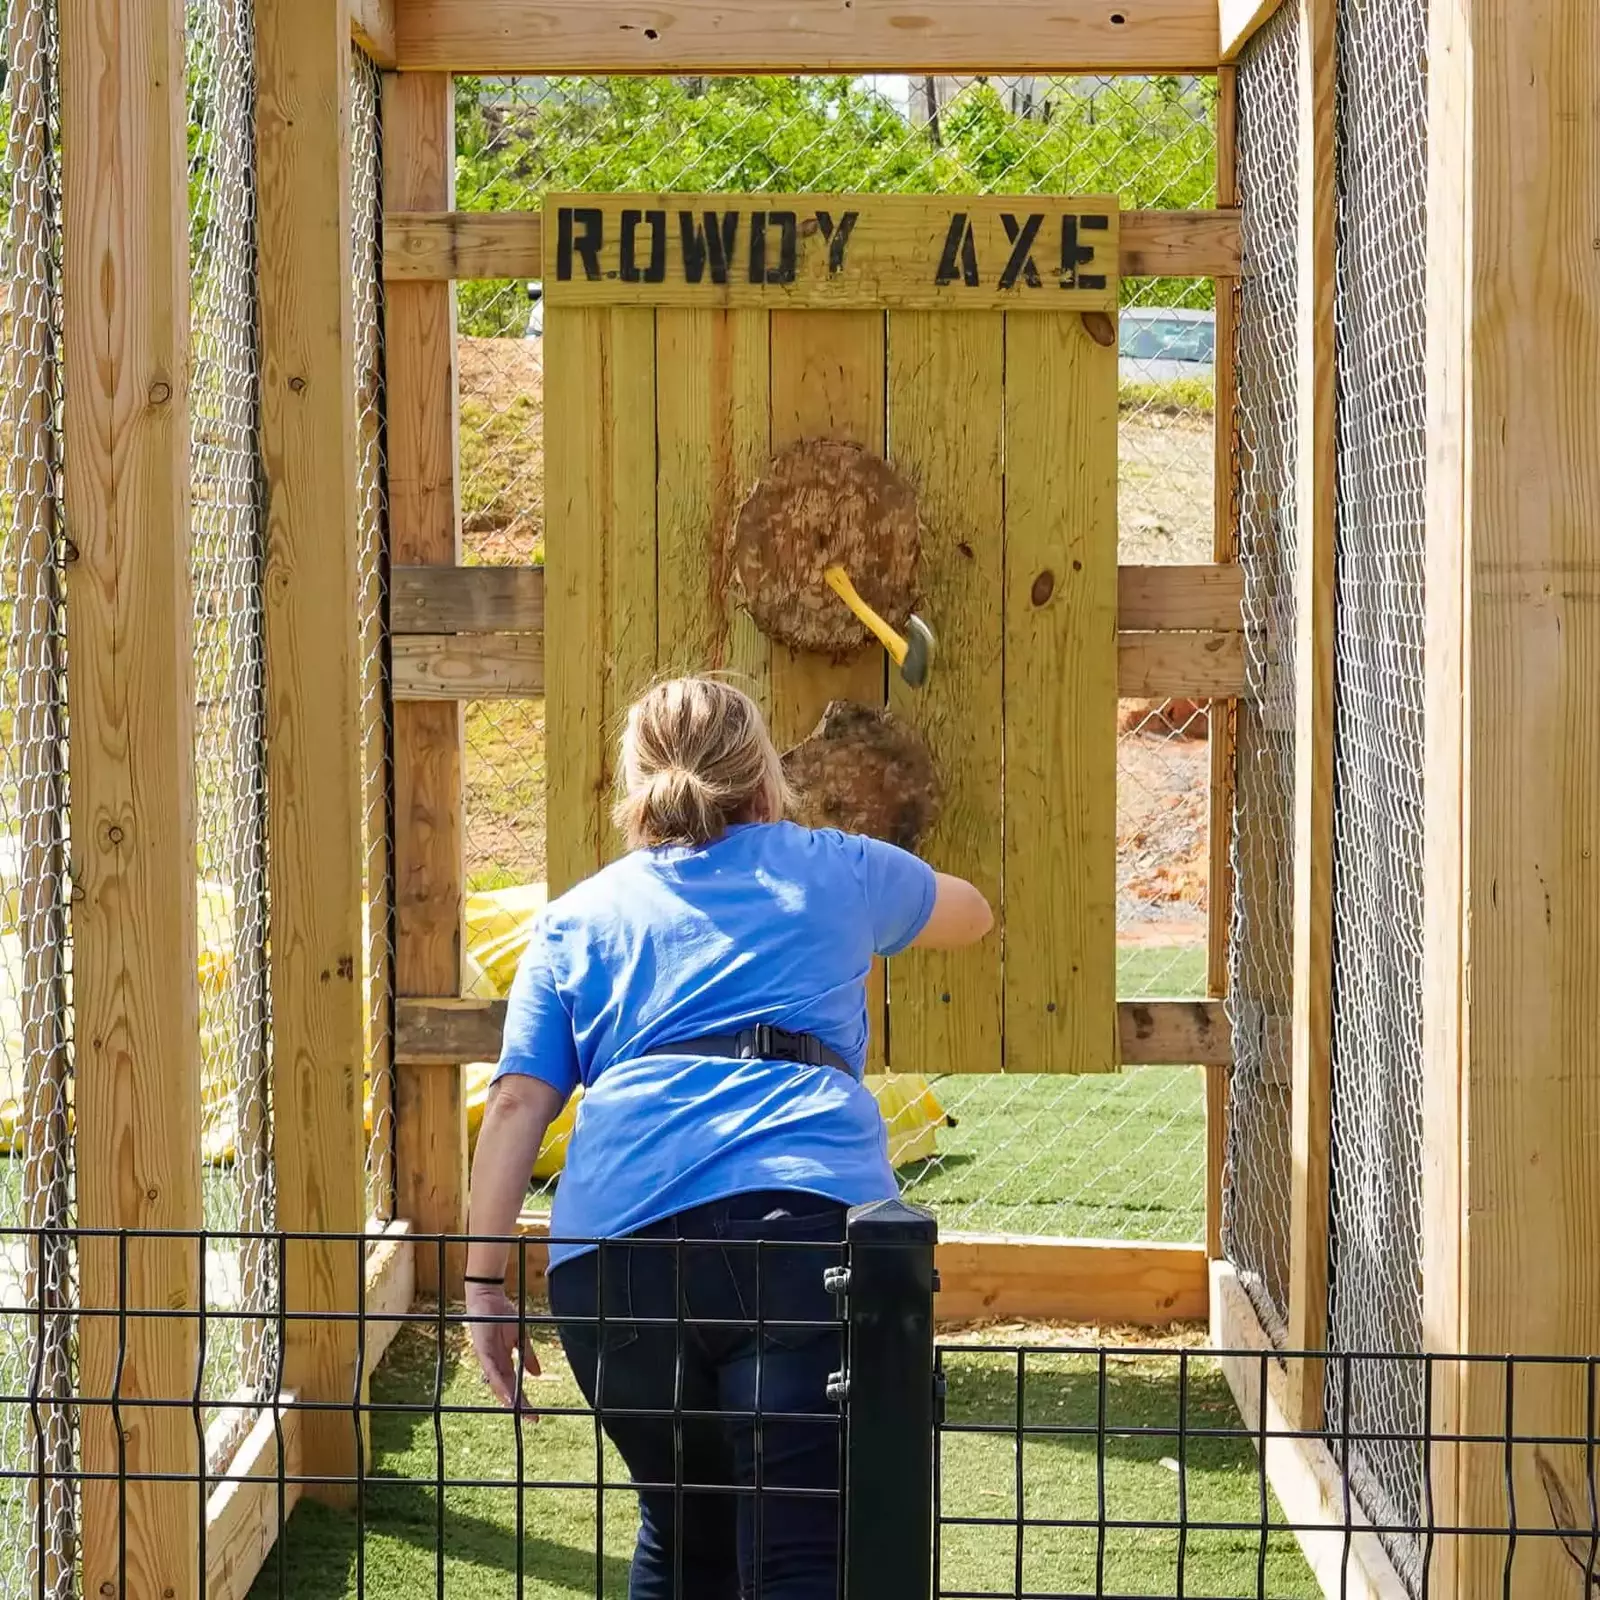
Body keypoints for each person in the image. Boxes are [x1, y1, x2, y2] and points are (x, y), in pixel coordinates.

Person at [463, 676, 993, 1600]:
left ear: (634, 787)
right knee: (795, 1553)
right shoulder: (833, 865)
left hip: (613, 1259)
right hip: (798, 1235)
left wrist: (481, 1289)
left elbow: (516, 1107)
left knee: (680, 1534)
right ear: (765, 781)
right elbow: (972, 913)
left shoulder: (572, 920)